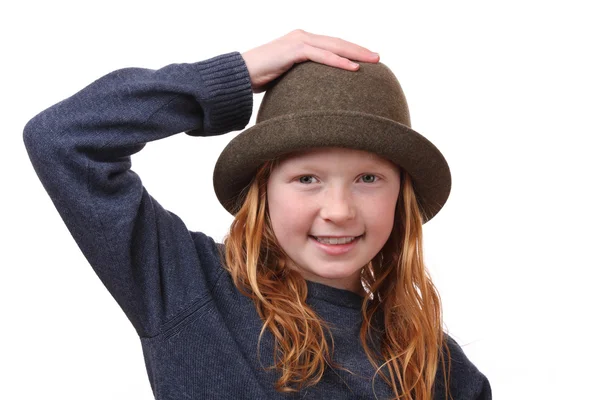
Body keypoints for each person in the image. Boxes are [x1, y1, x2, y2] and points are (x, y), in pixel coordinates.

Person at [23, 30, 491, 399]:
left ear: (400, 197)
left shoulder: (433, 363)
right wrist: (236, 74)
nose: (338, 211)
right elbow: (62, 138)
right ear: (262, 189)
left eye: (368, 179)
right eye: (307, 179)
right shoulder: (188, 285)